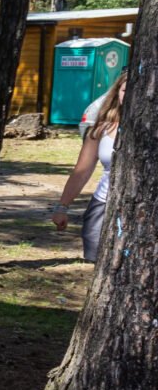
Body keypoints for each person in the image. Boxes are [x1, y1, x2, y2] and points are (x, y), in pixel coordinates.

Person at [51, 70, 125, 260]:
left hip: (145, 210)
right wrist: (62, 207)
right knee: (95, 260)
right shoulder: (102, 128)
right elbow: (81, 172)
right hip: (103, 204)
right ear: (117, 92)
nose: (131, 95)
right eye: (125, 90)